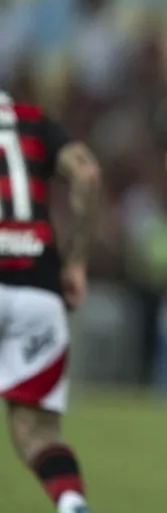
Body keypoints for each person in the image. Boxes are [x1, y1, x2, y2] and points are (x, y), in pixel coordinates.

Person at [0, 92, 101, 513]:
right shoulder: (29, 118)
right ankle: (70, 501)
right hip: (38, 287)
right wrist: (76, 262)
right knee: (38, 434)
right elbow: (87, 173)